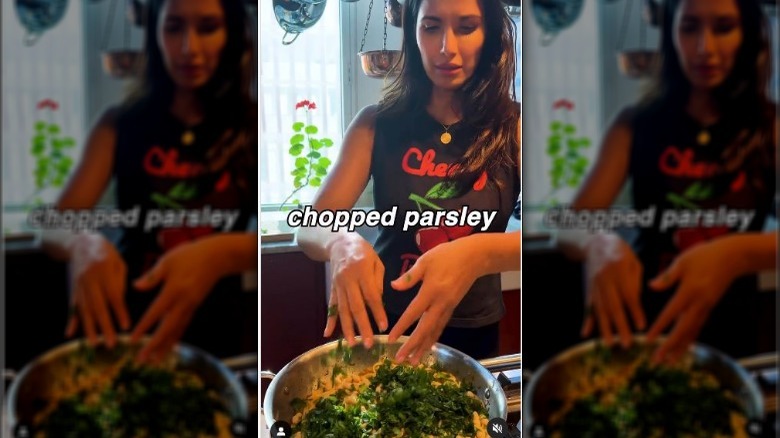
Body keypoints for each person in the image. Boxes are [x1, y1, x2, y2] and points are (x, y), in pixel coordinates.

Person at [297, 0, 521, 365]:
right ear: (413, 33)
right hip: (382, 326)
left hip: (471, 338)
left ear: (491, 35)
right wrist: (340, 242)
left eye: (466, 28)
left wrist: (478, 254)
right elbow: (309, 226)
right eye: (431, 27)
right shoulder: (375, 124)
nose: (447, 48)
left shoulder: (514, 127)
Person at [559, 0, 776, 363]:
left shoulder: (771, 127)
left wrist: (735, 254)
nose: (705, 47)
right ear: (672, 33)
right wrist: (598, 242)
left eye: (723, 28)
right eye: (690, 27)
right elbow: (568, 227)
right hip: (641, 324)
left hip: (731, 335)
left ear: (748, 35)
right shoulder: (635, 124)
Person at [42, 0, 258, 363]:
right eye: (174, 27)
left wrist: (221, 253)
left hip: (217, 331)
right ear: (155, 33)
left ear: (232, 34)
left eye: (207, 28)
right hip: (126, 322)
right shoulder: (119, 123)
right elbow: (51, 226)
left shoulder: (252, 125)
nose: (190, 48)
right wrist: (82, 243)